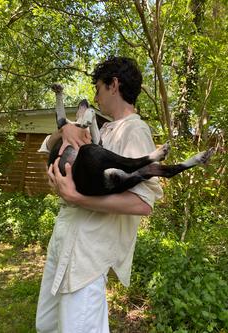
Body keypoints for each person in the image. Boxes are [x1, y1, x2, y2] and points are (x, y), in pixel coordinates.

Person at [36, 56, 163, 333]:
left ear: (113, 85)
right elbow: (51, 149)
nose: (95, 96)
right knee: (47, 325)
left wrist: (77, 198)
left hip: (87, 257)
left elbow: (143, 203)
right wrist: (64, 130)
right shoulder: (104, 128)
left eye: (98, 88)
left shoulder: (135, 130)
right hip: (65, 244)